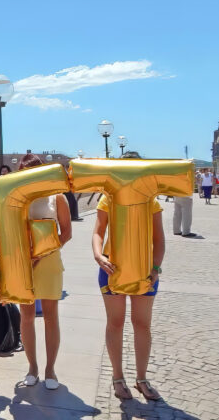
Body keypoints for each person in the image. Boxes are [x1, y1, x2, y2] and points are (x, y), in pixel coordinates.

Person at [92, 151, 165, 401]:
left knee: (142, 324)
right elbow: (98, 231)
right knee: (115, 323)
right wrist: (98, 255)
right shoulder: (109, 198)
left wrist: (155, 269)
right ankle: (117, 377)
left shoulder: (150, 200)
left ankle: (142, 378)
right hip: (112, 269)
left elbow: (159, 239)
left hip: (145, 272)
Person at [16, 153, 72, 390]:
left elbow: (66, 233)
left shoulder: (56, 197)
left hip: (48, 261)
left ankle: (50, 369)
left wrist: (42, 252)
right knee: (26, 317)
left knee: (50, 316)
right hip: (23, 262)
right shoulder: (18, 198)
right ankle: (32, 367)